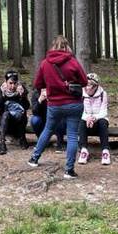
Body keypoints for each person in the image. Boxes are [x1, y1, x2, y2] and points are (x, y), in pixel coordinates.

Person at [28, 35, 88, 179]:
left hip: (54, 104)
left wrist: (49, 87)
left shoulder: (45, 63)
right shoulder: (73, 62)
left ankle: (34, 158)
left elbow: (37, 84)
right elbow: (85, 81)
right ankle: (69, 170)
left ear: (53, 46)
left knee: (48, 130)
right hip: (74, 104)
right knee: (73, 135)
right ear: (67, 46)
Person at [78, 73, 112, 166]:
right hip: (86, 120)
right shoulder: (81, 93)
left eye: (89, 85)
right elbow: (80, 110)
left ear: (95, 86)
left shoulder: (102, 94)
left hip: (98, 121)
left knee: (103, 122)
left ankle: (105, 151)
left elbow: (104, 111)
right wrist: (88, 118)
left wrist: (94, 118)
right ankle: (83, 150)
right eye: (85, 84)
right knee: (81, 122)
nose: (87, 87)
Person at [0, 70, 30, 154]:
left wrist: (22, 95)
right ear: (6, 82)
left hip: (19, 121)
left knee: (22, 113)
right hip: (5, 121)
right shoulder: (1, 89)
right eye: (10, 83)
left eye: (15, 83)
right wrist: (2, 95)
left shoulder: (22, 89)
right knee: (5, 114)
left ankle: (22, 138)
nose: (12, 86)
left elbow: (27, 107)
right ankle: (2, 143)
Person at [29, 83, 64, 148]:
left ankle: (60, 141)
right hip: (42, 120)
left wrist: (51, 100)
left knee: (60, 118)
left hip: (55, 120)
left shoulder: (56, 92)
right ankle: (42, 140)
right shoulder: (36, 94)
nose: (44, 90)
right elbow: (34, 111)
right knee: (34, 120)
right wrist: (39, 101)